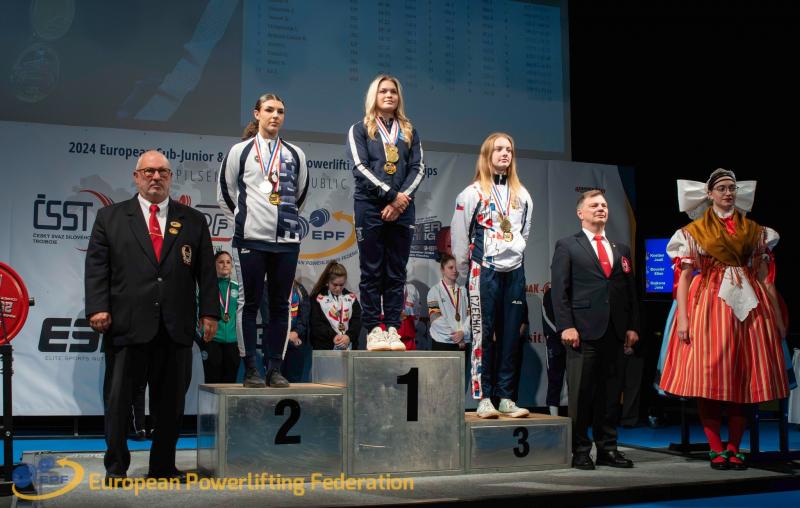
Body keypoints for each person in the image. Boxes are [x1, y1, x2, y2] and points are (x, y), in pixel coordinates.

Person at [85, 150, 218, 484]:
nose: (156, 177)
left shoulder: (193, 220)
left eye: (162, 172)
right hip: (126, 324)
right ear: (136, 176)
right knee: (118, 401)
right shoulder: (110, 217)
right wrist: (98, 307)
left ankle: (163, 466)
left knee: (171, 402)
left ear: (171, 177)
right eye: (149, 171)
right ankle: (116, 468)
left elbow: (206, 271)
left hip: (176, 326)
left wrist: (210, 312)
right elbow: (97, 268)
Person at [659, 168, 788, 470]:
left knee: (744, 374)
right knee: (710, 376)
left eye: (732, 188)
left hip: (750, 305)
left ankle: (734, 447)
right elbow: (684, 278)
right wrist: (683, 319)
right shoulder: (694, 232)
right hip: (709, 303)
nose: (728, 193)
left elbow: (764, 277)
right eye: (722, 188)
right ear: (710, 193)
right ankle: (716, 448)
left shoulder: (755, 231)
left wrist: (777, 316)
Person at [217, 93, 309, 388]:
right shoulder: (239, 151)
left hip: (286, 241)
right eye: (269, 110)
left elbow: (300, 195)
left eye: (280, 111)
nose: (275, 115)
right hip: (250, 240)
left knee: (281, 305)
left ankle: (275, 369)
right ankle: (251, 369)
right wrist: (245, 222)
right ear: (257, 114)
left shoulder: (295, 153)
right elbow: (225, 193)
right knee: (249, 303)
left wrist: (284, 221)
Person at [550, 189, 639, 470]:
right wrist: (566, 326)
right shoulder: (568, 245)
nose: (601, 208)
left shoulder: (620, 249)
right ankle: (580, 451)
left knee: (611, 395)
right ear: (581, 213)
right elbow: (559, 291)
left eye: (604, 205)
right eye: (594, 205)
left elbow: (630, 292)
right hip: (582, 332)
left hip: (615, 331)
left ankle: (608, 449)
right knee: (581, 395)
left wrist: (632, 326)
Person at [451, 132, 533, 419]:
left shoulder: (523, 195)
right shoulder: (472, 193)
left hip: (515, 271)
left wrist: (514, 256)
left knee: (511, 336)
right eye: (499, 149)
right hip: (483, 270)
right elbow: (460, 238)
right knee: (482, 335)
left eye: (509, 149)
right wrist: (466, 273)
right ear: (487, 155)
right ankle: (484, 397)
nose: (505, 153)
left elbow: (524, 233)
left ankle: (506, 397)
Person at [347, 74, 425, 351]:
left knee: (396, 271)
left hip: (403, 208)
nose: (389, 95)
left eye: (393, 91)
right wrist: (392, 196)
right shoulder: (360, 129)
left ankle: (392, 328)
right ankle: (373, 329)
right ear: (374, 96)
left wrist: (400, 201)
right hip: (370, 207)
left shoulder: (409, 131)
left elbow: (418, 168)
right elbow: (360, 167)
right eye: (383, 91)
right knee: (371, 270)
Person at [199, 251, 241, 384]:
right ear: (214, 265)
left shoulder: (238, 288)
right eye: (221, 262)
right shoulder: (206, 287)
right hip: (212, 340)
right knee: (212, 382)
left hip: (233, 342)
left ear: (232, 266)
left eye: (228, 262)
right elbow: (197, 310)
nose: (225, 265)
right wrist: (201, 332)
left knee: (230, 383)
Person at [310, 261, 362, 350]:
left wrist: (348, 336)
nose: (338, 288)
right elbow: (316, 324)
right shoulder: (317, 299)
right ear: (328, 281)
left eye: (341, 285)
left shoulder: (351, 297)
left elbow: (357, 321)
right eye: (335, 284)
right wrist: (333, 336)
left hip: (349, 347)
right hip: (325, 348)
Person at [427, 254, 471, 353]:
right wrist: (456, 336)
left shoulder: (464, 290)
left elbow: (470, 314)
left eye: (456, 268)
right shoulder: (434, 291)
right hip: (443, 342)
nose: (454, 270)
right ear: (442, 270)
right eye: (450, 267)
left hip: (464, 341)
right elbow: (435, 318)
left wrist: (463, 332)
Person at [281, 279, 312, 382]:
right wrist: (285, 335)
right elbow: (267, 315)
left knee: (294, 380)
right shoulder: (268, 287)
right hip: (277, 341)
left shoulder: (299, 289)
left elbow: (304, 316)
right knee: (274, 380)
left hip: (296, 340)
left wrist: (296, 332)